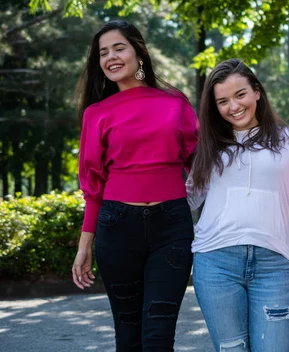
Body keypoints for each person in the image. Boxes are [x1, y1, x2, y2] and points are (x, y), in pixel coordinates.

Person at [186, 58, 289, 352]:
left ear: (256, 91)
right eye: (223, 101)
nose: (234, 106)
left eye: (240, 94)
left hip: (272, 263)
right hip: (215, 262)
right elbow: (190, 197)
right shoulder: (210, 144)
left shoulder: (287, 139)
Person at [71, 20, 198, 351]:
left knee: (158, 335)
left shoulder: (175, 103)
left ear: (138, 54)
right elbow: (94, 186)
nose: (110, 57)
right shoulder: (96, 113)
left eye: (118, 48)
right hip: (116, 227)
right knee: (127, 334)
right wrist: (85, 245)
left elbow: (200, 167)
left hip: (171, 228)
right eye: (103, 52)